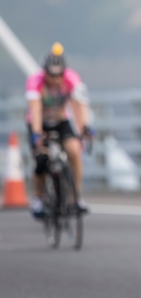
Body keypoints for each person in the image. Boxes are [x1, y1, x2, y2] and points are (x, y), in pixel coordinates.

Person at [26, 42, 94, 219]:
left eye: (59, 75)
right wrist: (36, 133)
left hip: (60, 120)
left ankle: (75, 198)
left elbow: (80, 104)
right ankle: (38, 198)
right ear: (45, 72)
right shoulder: (35, 81)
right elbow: (35, 109)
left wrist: (85, 127)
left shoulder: (72, 79)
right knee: (41, 159)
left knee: (74, 151)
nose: (55, 79)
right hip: (39, 122)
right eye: (51, 75)